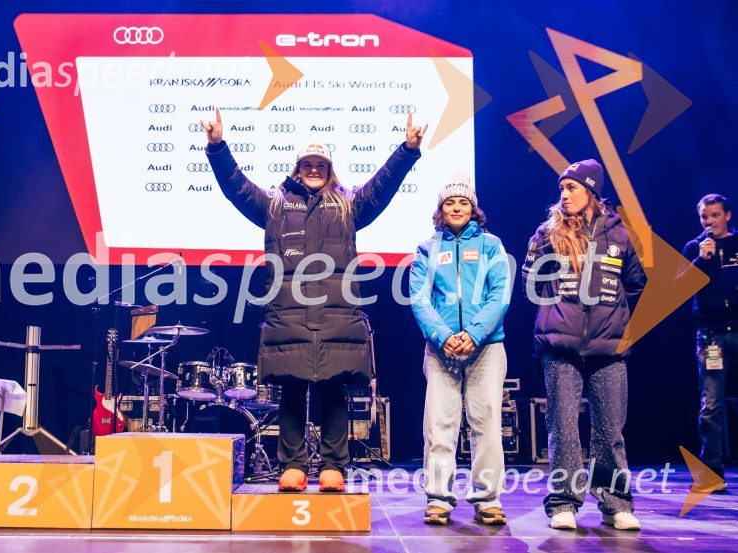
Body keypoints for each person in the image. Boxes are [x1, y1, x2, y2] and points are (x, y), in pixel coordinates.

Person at [201, 108, 427, 492]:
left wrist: (407, 150)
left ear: (329, 169)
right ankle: (292, 464)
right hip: (288, 314)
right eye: (307, 163)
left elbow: (382, 186)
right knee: (292, 389)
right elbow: (236, 187)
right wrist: (218, 147)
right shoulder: (274, 205)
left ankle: (333, 466)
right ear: (297, 168)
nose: (313, 169)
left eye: (320, 164)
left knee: (333, 388)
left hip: (336, 314)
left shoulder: (348, 205)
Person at [521, 159, 646, 531]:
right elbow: (530, 280)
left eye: (571, 188)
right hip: (560, 346)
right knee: (563, 427)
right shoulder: (547, 233)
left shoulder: (621, 233)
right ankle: (563, 502)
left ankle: (616, 504)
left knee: (610, 428)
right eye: (561, 188)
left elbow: (635, 282)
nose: (564, 194)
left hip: (609, 347)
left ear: (592, 191)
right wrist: (560, 307)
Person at [409, 174, 512, 525]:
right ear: (441, 210)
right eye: (450, 202)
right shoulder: (426, 249)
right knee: (439, 426)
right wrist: (442, 336)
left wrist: (474, 333)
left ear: (473, 209)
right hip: (441, 351)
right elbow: (420, 299)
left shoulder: (491, 245)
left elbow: (500, 295)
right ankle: (439, 498)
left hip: (486, 348)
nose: (456, 207)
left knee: (486, 424)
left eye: (463, 202)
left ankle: (488, 500)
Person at [679, 194, 737, 492]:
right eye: (704, 217)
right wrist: (702, 260)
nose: (709, 222)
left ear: (727, 215)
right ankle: (712, 473)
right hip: (711, 335)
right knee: (711, 405)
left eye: (715, 215)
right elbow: (679, 286)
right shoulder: (694, 248)